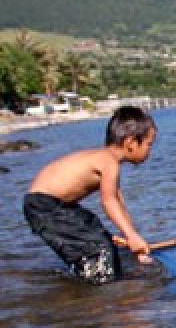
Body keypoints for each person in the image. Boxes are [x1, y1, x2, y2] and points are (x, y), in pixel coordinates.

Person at [24, 106, 157, 284]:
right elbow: (108, 202)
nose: (150, 151)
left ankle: (86, 284)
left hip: (51, 205)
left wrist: (132, 237)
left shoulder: (106, 159)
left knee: (96, 231)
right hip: (44, 206)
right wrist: (132, 237)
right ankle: (100, 287)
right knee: (99, 248)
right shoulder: (109, 162)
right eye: (149, 144)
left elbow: (118, 203)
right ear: (131, 143)